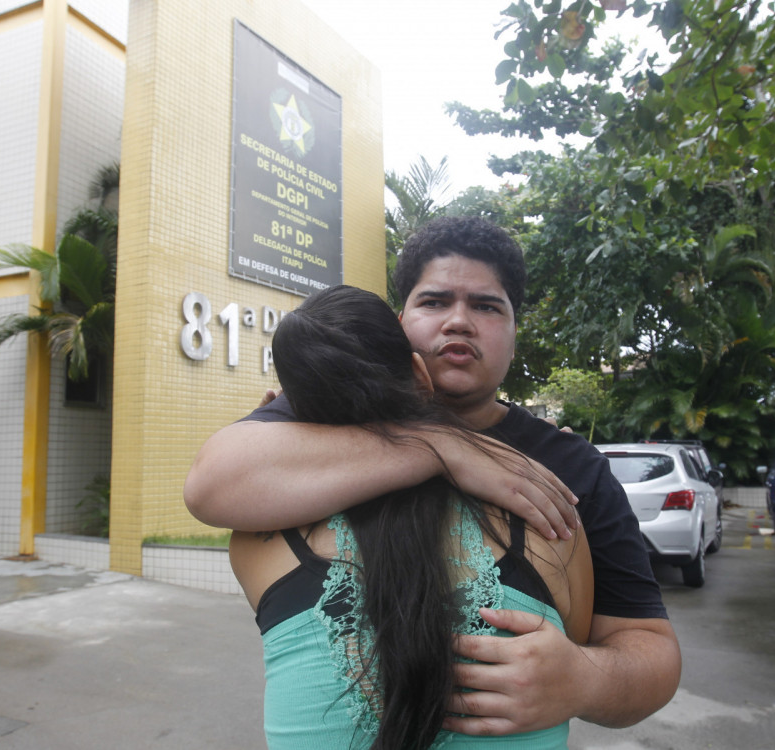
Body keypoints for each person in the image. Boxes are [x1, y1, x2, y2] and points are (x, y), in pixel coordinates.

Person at [186, 216, 680, 733]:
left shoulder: (572, 467)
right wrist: (440, 446)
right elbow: (209, 484)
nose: (459, 321)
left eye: (487, 306)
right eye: (435, 301)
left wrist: (584, 678)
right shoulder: (310, 419)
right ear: (401, 324)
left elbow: (651, 650)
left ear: (515, 332)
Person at [230, 284, 593, 747]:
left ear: (289, 410)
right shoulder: (551, 523)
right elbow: (574, 647)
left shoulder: (256, 542)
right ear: (420, 373)